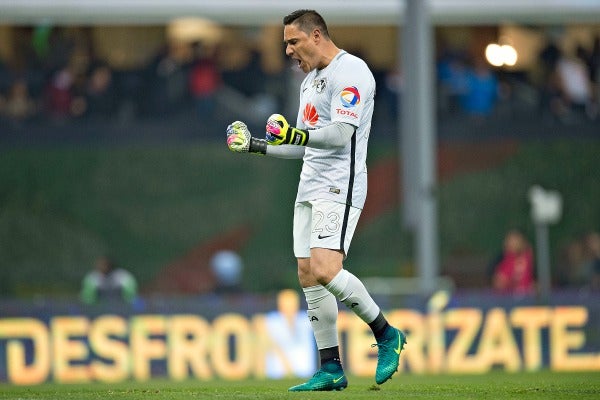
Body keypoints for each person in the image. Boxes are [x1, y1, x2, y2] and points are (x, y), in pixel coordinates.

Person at [224, 9, 405, 391]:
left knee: (325, 268)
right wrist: (258, 146)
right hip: (309, 186)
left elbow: (339, 134)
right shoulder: (309, 83)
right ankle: (331, 367)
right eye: (286, 43)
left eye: (294, 41)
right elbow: (303, 146)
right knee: (308, 275)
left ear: (317, 35)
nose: (289, 50)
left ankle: (386, 333)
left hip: (339, 185)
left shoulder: (352, 72)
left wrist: (295, 136)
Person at [490, 229, 535, 295]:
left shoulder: (529, 257)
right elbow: (499, 282)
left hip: (526, 297)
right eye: (509, 241)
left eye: (515, 241)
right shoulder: (504, 259)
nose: (510, 244)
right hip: (508, 298)